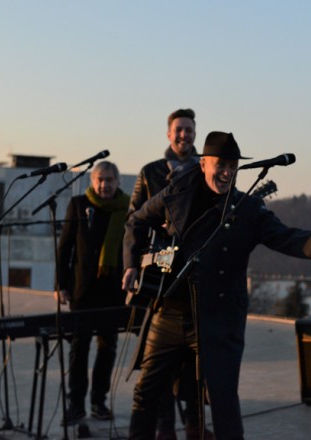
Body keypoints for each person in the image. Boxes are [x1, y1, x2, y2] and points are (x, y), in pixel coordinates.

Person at [122, 131, 311, 440]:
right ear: (203, 164)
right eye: (221, 164)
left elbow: (290, 238)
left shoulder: (248, 209)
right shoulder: (177, 193)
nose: (227, 172)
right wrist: (132, 263)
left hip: (219, 316)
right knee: (146, 392)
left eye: (233, 166)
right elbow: (136, 221)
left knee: (223, 400)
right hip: (170, 311)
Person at [129, 108, 209, 440]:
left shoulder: (206, 170)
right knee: (157, 366)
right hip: (158, 277)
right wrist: (133, 262)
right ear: (168, 133)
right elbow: (133, 218)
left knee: (194, 368)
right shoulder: (150, 172)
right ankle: (164, 429)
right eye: (179, 130)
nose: (184, 135)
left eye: (189, 130)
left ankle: (194, 426)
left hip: (194, 276)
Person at [56, 161, 130, 427]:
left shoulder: (126, 207)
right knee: (79, 348)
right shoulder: (78, 205)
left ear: (118, 182)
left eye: (109, 180)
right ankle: (76, 405)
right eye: (100, 179)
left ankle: (99, 401)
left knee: (107, 348)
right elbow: (65, 247)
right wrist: (60, 284)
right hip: (82, 291)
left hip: (112, 291)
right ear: (92, 181)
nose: (104, 184)